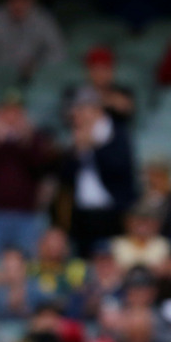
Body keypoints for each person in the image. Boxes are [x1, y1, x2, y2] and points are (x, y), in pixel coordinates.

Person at [0, 90, 58, 260]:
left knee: (28, 263)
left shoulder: (34, 138)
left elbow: (41, 165)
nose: (11, 117)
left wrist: (26, 140)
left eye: (16, 112)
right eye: (7, 111)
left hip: (26, 215)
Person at [58, 87, 138, 257]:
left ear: (95, 110)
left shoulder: (117, 132)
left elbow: (120, 169)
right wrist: (77, 151)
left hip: (112, 212)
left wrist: (94, 146)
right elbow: (65, 177)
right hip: (83, 214)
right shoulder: (76, 135)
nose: (76, 115)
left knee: (110, 258)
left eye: (81, 110)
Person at [0, 0, 66, 81]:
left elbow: (59, 50)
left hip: (36, 72)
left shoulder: (43, 18)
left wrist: (37, 62)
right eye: (13, 0)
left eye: (23, 0)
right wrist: (12, 66)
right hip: (2, 72)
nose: (18, 5)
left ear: (32, 0)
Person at [77, 46, 135, 126]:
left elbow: (126, 108)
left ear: (112, 71)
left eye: (104, 69)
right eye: (96, 69)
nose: (100, 74)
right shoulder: (75, 92)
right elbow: (70, 114)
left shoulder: (123, 92)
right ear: (88, 71)